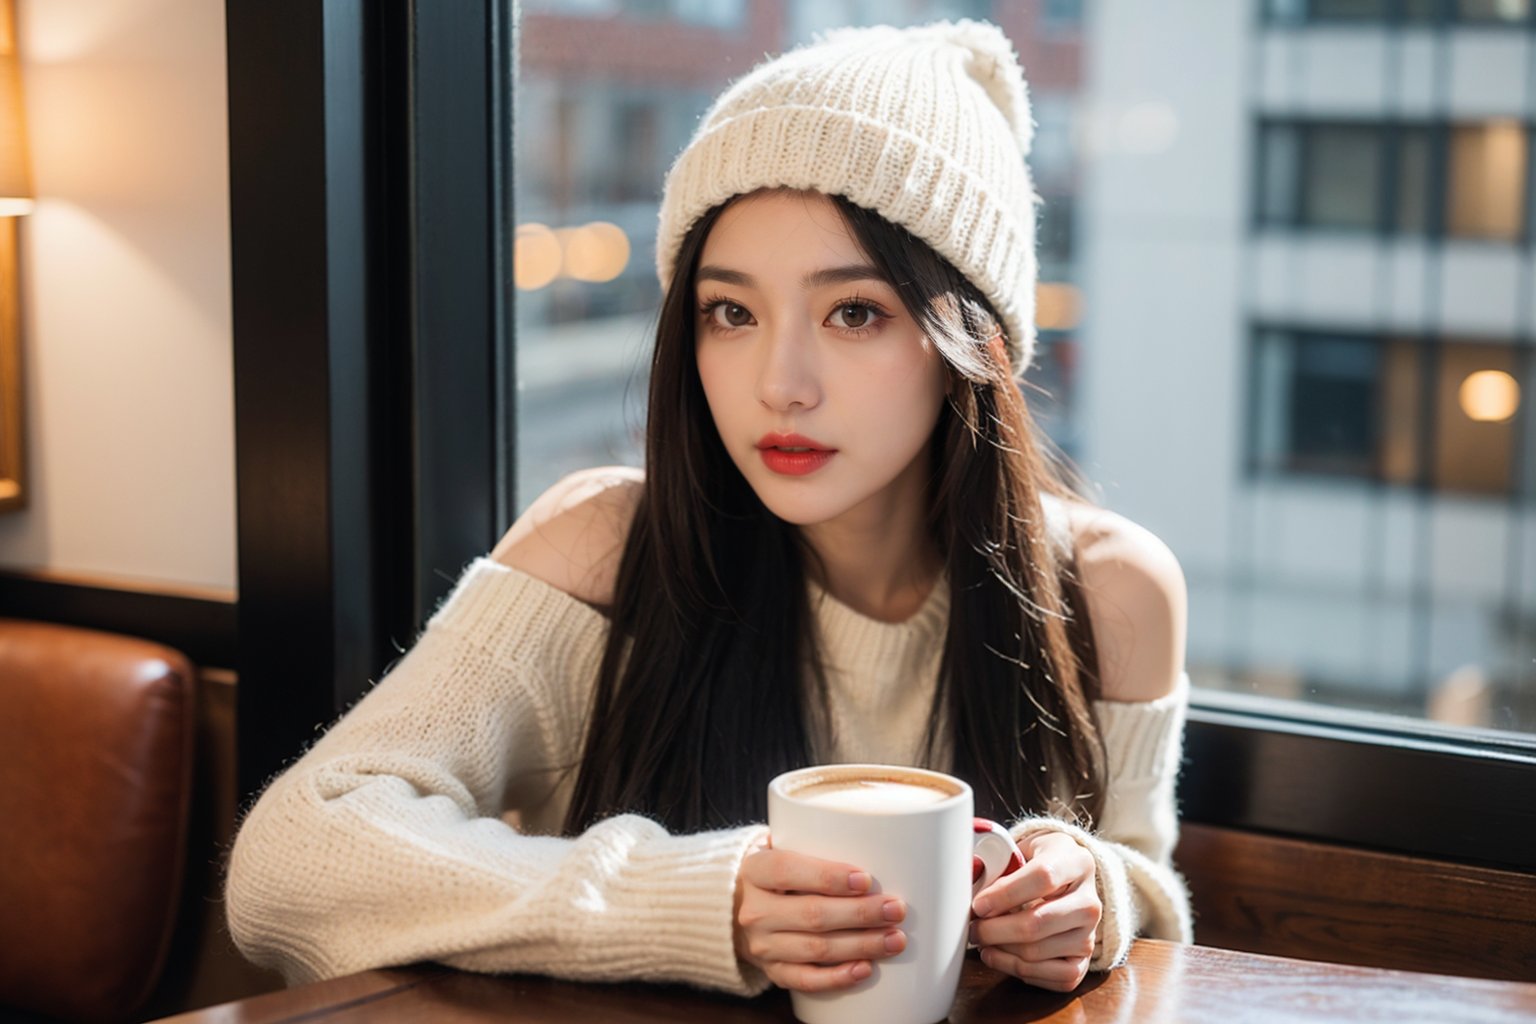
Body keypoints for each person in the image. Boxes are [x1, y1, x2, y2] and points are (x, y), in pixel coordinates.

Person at [225, 19, 1192, 999]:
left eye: (853, 311)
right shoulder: (609, 547)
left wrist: (1091, 895)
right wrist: (698, 899)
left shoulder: (1110, 588)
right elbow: (290, 860)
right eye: (730, 311)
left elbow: (1149, 887)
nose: (780, 384)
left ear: (969, 339)